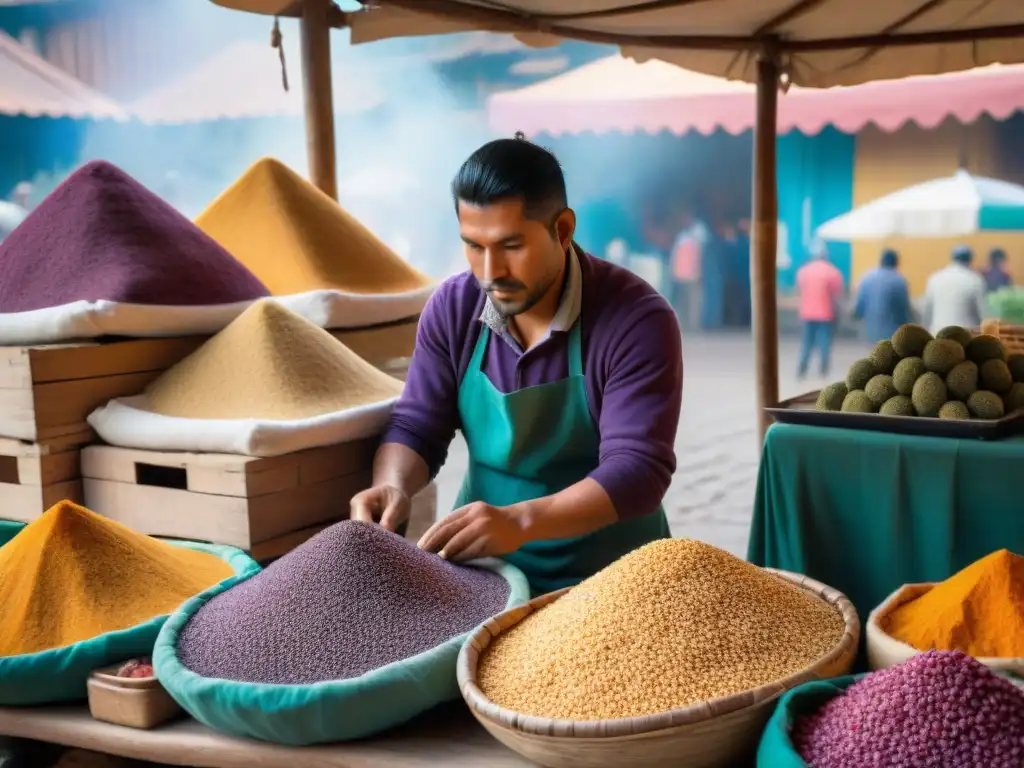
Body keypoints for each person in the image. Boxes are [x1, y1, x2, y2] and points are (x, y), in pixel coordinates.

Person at [350, 135, 682, 596]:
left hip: (613, 578)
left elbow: (638, 470)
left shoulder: (636, 319)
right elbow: (417, 425)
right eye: (474, 246)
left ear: (563, 229)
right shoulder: (453, 306)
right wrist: (394, 486)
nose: (490, 271)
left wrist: (519, 521)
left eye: (511, 245)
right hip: (486, 571)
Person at [795, 240, 844, 378]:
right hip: (825, 313)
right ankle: (823, 370)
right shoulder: (833, 272)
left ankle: (802, 369)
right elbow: (836, 294)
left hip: (807, 312)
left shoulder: (803, 271)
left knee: (806, 342)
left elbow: (799, 289)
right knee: (824, 342)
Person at [922, 245, 989, 334]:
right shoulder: (975, 279)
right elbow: (983, 313)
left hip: (937, 334)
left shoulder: (935, 278)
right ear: (970, 260)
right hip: (964, 336)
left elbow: (927, 311)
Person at [852, 249, 911, 343]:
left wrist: (858, 315)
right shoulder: (899, 280)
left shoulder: (867, 277)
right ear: (896, 263)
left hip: (871, 327)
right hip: (892, 329)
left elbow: (860, 305)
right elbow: (903, 308)